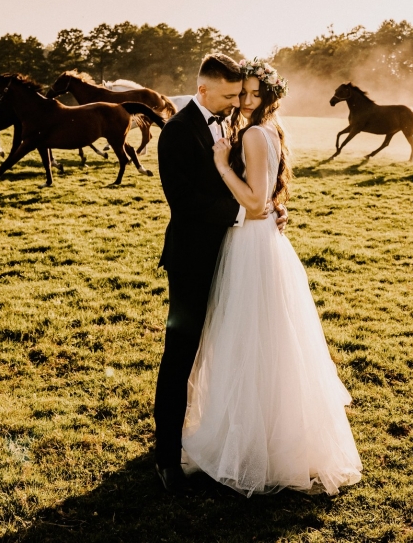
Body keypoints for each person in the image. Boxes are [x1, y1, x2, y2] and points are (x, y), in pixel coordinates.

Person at [180, 59, 361, 496]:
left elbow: (258, 204)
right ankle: (255, 436)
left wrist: (223, 164)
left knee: (251, 339)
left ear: (268, 99)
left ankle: (257, 447)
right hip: (256, 242)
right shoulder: (264, 131)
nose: (243, 100)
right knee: (260, 338)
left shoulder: (256, 135)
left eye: (252, 95)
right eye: (241, 92)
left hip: (252, 243)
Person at [152, 54, 286, 495]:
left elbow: (256, 174)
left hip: (238, 257)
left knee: (232, 348)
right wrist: (249, 213)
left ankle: (222, 435)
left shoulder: (234, 122)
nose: (238, 103)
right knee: (182, 353)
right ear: (203, 89)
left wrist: (270, 209)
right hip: (194, 259)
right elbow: (185, 201)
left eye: (242, 94)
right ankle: (167, 456)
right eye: (230, 95)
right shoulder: (175, 133)